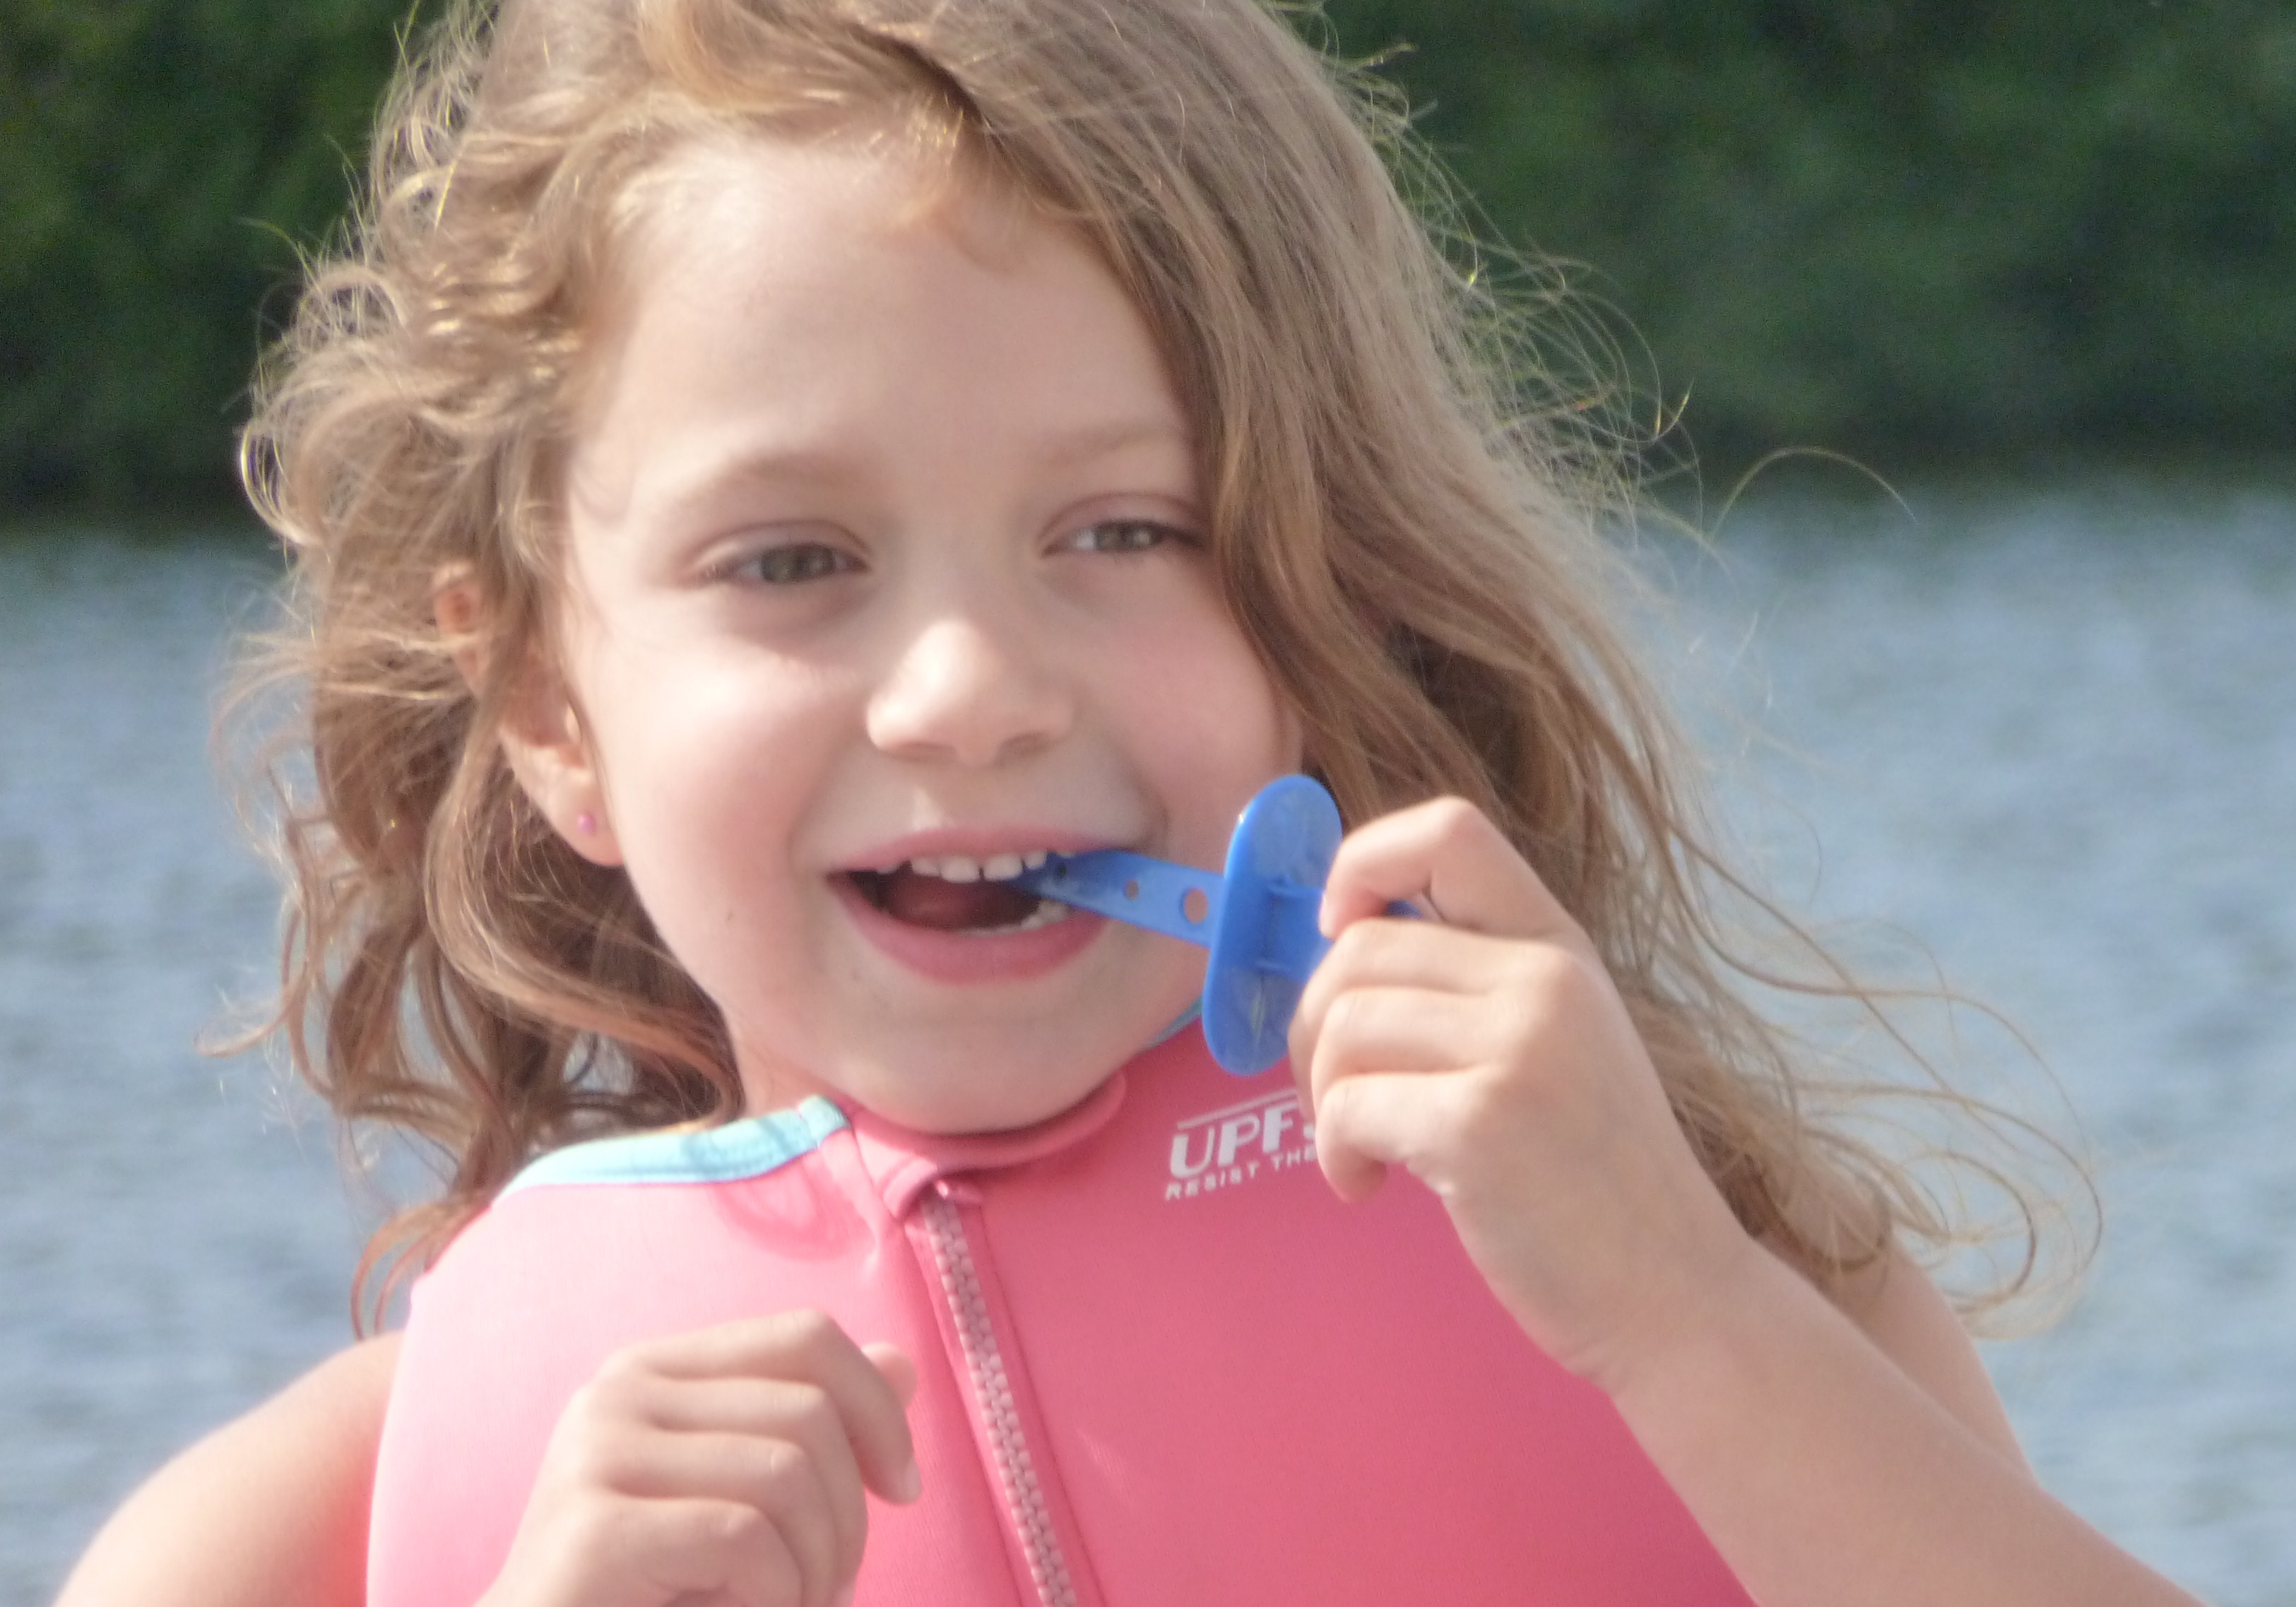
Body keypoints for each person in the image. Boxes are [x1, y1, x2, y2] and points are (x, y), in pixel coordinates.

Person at [57, 1, 2203, 1603]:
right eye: (791, 560)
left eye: (1124, 532)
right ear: (547, 702)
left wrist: (1686, 1317)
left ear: (1323, 589)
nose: (972, 692)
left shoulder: (1684, 1257)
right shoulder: (311, 1529)